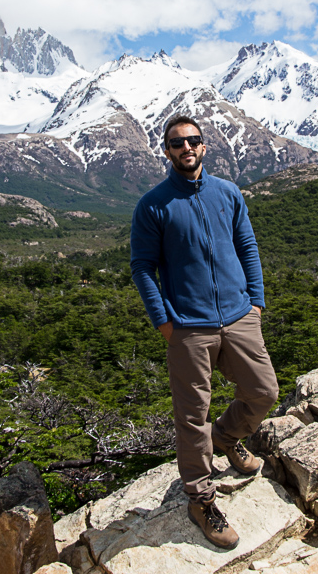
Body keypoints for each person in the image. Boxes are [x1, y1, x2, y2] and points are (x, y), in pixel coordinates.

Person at [130, 114, 279, 550]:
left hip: (239, 315)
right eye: (177, 143)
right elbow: (143, 268)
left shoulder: (227, 193)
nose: (186, 148)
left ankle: (228, 436)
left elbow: (247, 244)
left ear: (204, 146)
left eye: (193, 140)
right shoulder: (154, 205)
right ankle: (201, 499)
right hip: (188, 327)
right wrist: (164, 321)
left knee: (263, 391)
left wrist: (255, 300)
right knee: (192, 416)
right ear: (166, 150)